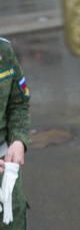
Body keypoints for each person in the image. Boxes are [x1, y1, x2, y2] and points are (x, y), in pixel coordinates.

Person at [0, 37, 30, 229]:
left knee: (14, 220)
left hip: (5, 167)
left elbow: (18, 103)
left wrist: (18, 139)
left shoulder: (5, 51)